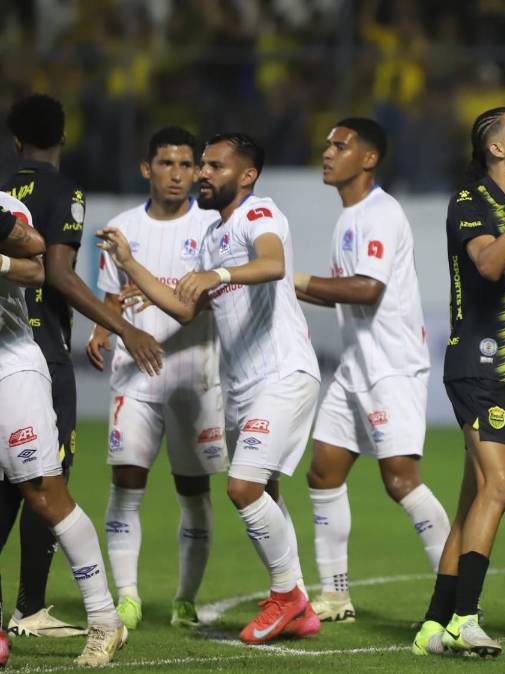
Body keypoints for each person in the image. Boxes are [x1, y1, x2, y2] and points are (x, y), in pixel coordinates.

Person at [96, 132, 321, 645]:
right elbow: (182, 307)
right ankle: (299, 604)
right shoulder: (212, 237)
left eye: (214, 166)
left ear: (246, 176)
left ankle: (287, 596)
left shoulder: (259, 214)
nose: (201, 173)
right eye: (202, 165)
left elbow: (273, 264)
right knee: (263, 492)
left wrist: (215, 272)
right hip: (241, 386)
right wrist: (130, 264)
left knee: (241, 489)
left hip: (282, 373)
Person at [0, 93, 164, 638]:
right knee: (48, 481)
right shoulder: (62, 190)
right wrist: (123, 326)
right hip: (36, 353)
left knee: (13, 482)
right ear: (63, 138)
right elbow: (60, 273)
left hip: (13, 349)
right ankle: (31, 609)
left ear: (16, 139)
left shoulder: (5, 190)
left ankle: (24, 612)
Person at [410, 107, 505, 658]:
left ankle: (433, 625)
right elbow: (490, 265)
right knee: (502, 487)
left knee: (475, 497)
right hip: (480, 361)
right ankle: (465, 619)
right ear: (496, 149)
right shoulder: (471, 202)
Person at [294, 118, 450, 623]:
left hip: (391, 367)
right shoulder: (349, 217)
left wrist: (291, 279)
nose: (327, 151)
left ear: (368, 159)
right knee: (323, 472)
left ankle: (458, 598)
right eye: (327, 143)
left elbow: (367, 289)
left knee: (401, 481)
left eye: (340, 145)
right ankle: (336, 593)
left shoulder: (380, 214)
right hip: (356, 364)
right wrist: (285, 285)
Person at [86, 127, 225, 630]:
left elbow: (201, 303)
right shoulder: (121, 227)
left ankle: (185, 598)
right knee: (126, 482)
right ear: (147, 168)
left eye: (187, 165)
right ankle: (127, 597)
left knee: (193, 491)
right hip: (135, 378)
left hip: (194, 379)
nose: (178, 174)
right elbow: (110, 296)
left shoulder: (212, 227)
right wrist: (104, 331)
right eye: (167, 163)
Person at [0, 193, 128, 666]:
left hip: (10, 366)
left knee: (43, 494)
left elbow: (36, 266)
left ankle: (104, 619)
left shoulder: (4, 207)